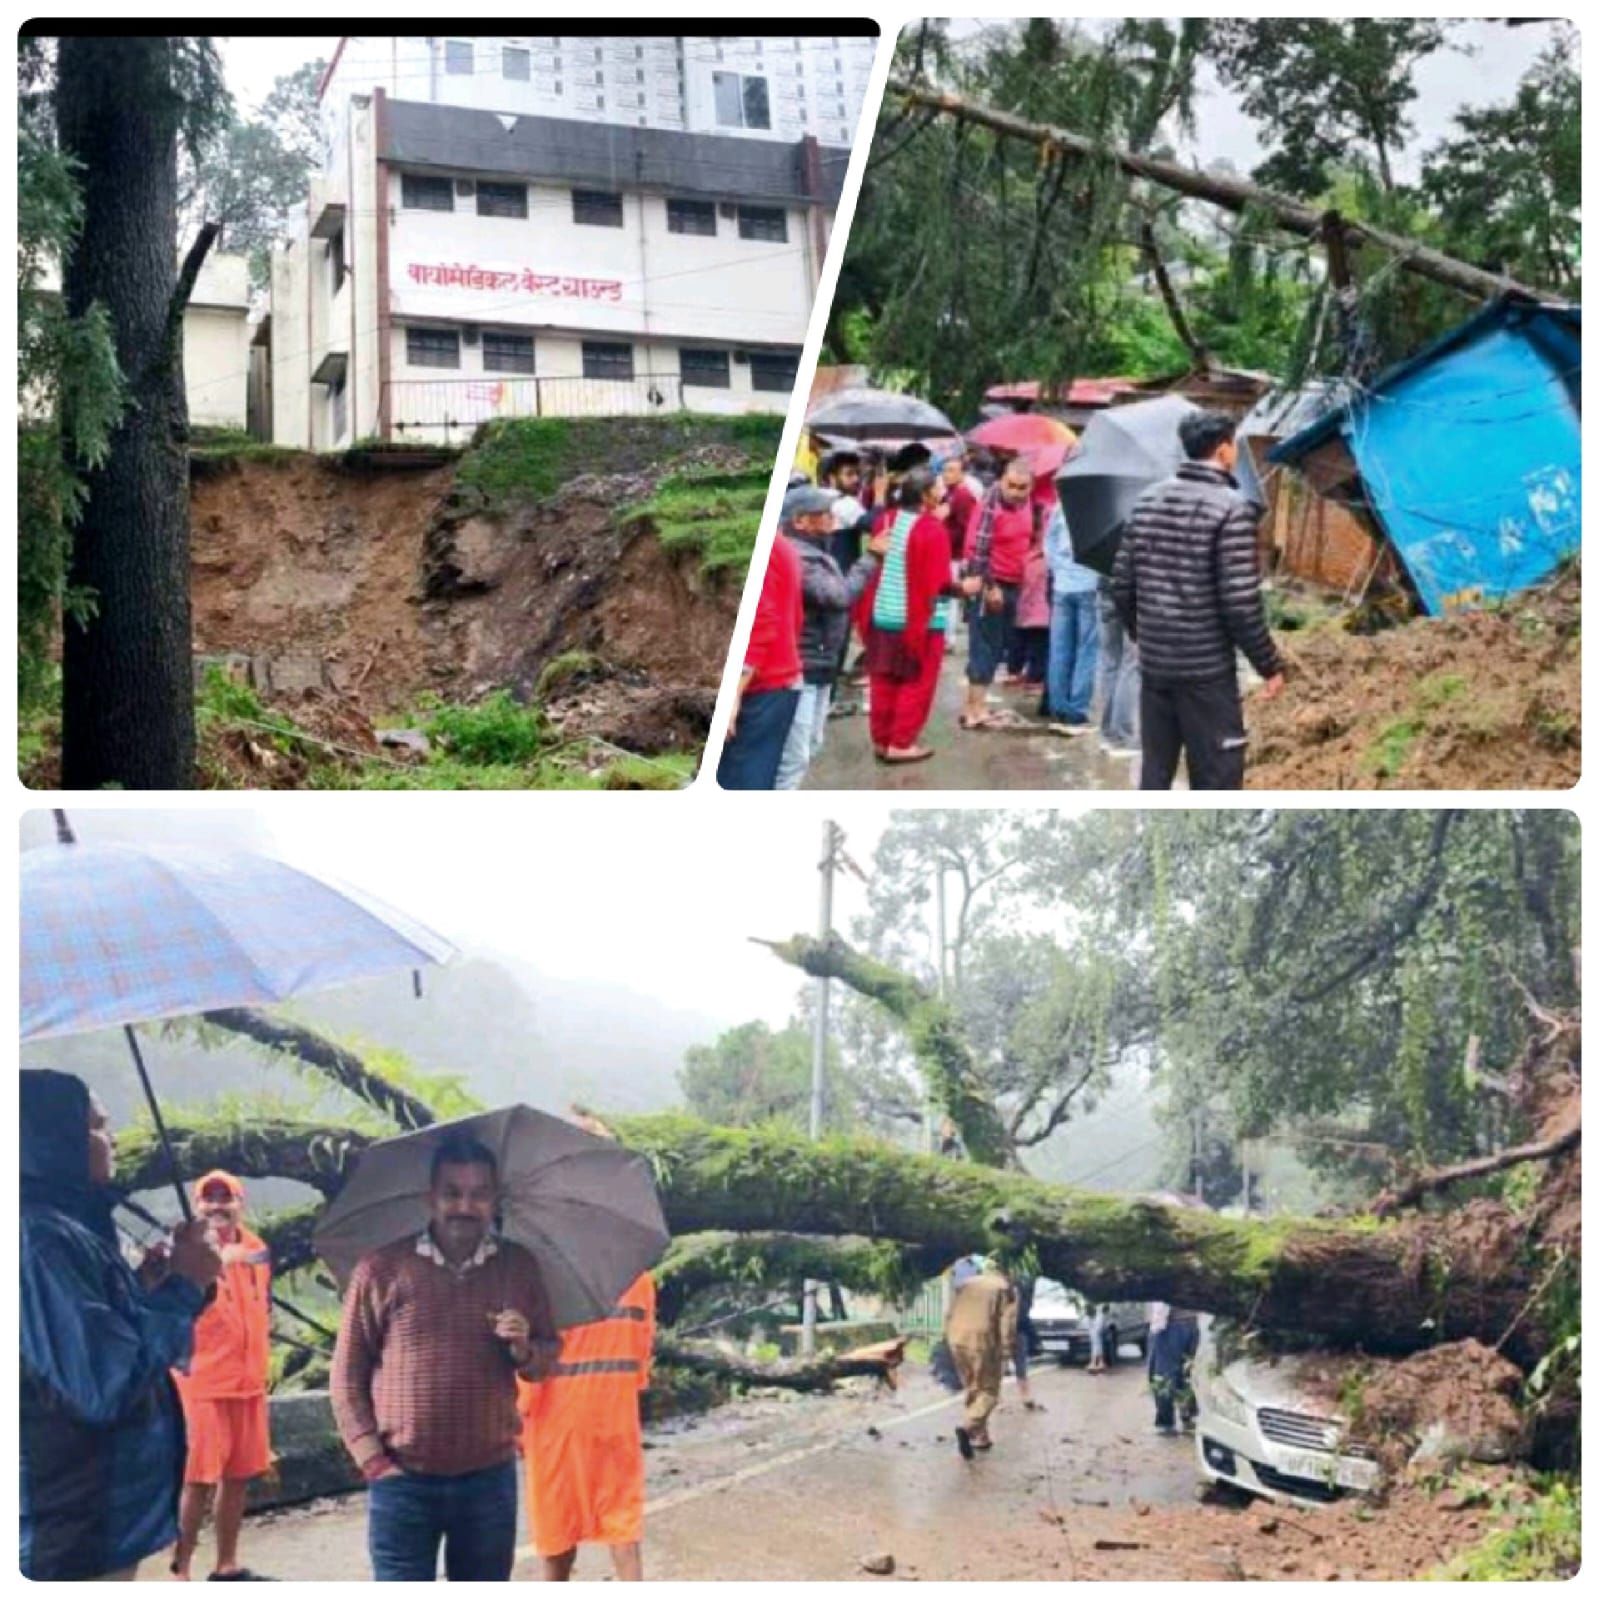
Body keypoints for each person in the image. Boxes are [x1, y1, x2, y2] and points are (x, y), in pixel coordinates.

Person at [20, 1069, 223, 1581]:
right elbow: (103, 1384)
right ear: (52, 1136)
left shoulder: (72, 1226)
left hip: (101, 1516)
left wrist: (146, 1289)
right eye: (96, 1126)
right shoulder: (38, 1240)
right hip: (72, 1521)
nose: (110, 1138)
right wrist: (183, 1288)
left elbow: (98, 1337)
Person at [331, 1135, 559, 1581]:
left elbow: (548, 1356)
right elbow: (346, 1376)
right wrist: (372, 1459)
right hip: (403, 1482)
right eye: (452, 1193)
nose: (464, 1206)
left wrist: (524, 1349)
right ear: (430, 1198)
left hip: (488, 1482)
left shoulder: (519, 1267)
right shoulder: (380, 1269)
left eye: (478, 1194)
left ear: (495, 1200)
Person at [1110, 409, 1286, 789]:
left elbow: (1122, 585)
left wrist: (1146, 637)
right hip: (1206, 675)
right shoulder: (1233, 509)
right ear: (1224, 451)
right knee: (1218, 779)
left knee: (1155, 774)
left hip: (1156, 669)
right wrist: (1269, 665)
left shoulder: (1147, 501)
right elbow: (1240, 603)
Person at [518, 1272, 656, 1582]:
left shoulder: (548, 1280)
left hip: (559, 1421)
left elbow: (533, 1362)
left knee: (557, 1534)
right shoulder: (639, 1280)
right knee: (623, 1528)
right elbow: (642, 1356)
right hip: (616, 1416)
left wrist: (518, 1414)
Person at [170, 1170, 273, 1582]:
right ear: (196, 1207)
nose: (216, 1207)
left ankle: (226, 1565)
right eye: (207, 1200)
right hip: (202, 1384)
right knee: (197, 1481)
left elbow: (261, 1307)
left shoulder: (258, 1250)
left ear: (240, 1204)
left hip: (248, 1383)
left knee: (239, 1476)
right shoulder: (187, 1252)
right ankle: (182, 1572)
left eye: (224, 1199)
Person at [774, 484, 887, 789]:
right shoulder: (800, 557)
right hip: (805, 665)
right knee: (793, 757)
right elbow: (838, 596)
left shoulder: (817, 553)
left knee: (811, 745)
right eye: (823, 515)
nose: (831, 520)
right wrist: (871, 558)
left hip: (821, 664)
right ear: (800, 522)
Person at [862, 466, 957, 764]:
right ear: (928, 496)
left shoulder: (886, 520)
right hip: (919, 621)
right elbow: (940, 583)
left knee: (884, 679)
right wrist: (964, 588)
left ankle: (882, 739)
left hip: (882, 615)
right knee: (916, 682)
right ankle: (901, 742)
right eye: (939, 488)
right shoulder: (933, 531)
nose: (943, 492)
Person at [716, 522, 804, 789]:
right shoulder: (782, 545)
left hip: (763, 688)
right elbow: (793, 617)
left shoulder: (766, 549)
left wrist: (734, 692)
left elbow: (760, 622)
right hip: (778, 680)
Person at [960, 456, 1036, 730]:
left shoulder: (1028, 506)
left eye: (1022, 487)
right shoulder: (989, 507)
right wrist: (990, 587)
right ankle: (973, 710)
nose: (1015, 492)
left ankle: (978, 706)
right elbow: (975, 553)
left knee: (997, 646)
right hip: (990, 584)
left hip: (1013, 583)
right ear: (1002, 480)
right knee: (984, 646)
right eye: (1011, 485)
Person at [943, 1258, 1018, 1459]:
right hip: (983, 1341)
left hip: (956, 1338)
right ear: (1009, 1274)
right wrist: (1006, 1349)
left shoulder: (968, 1283)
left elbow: (949, 1313)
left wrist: (949, 1336)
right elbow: (1007, 1322)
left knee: (973, 1386)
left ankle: (980, 1436)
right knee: (989, 1392)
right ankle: (968, 1427)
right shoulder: (1005, 1288)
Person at [1043, 499, 1100, 730]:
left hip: (1062, 586)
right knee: (1086, 650)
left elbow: (1049, 545)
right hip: (1090, 584)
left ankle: (1058, 706)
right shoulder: (1100, 506)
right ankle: (1077, 710)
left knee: (1059, 649)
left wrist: (1061, 571)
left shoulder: (1061, 505)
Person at [1095, 577, 1140, 759]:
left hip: (1105, 589)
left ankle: (1108, 731)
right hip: (1132, 594)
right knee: (1131, 664)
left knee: (1110, 664)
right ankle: (1124, 734)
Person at [1146, 1303, 1199, 1434]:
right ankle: (1188, 1416)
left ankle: (1166, 1422)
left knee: (1163, 1375)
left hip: (1171, 1324)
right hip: (1191, 1323)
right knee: (1186, 1372)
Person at [1087, 1304, 1109, 1375]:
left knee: (1097, 1347)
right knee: (1097, 1347)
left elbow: (1097, 1327)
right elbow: (1100, 1327)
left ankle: (1097, 1363)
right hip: (1096, 1333)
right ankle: (1097, 1364)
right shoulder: (1101, 1316)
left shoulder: (1098, 1316)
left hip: (1094, 1333)